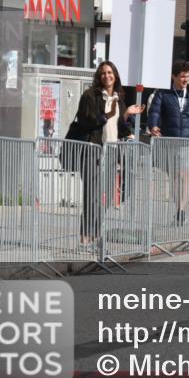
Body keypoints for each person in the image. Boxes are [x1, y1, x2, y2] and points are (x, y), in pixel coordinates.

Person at [69, 62, 142, 245]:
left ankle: (96, 232)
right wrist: (106, 115)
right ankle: (86, 237)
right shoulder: (90, 95)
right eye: (102, 73)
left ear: (115, 75)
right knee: (91, 196)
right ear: (98, 77)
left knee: (108, 197)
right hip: (92, 151)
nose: (106, 76)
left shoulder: (119, 98)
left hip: (111, 152)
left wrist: (127, 119)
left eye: (109, 73)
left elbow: (119, 127)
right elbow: (86, 120)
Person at [147, 60, 189, 224]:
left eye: (187, 76)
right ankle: (178, 206)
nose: (185, 80)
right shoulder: (163, 93)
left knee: (184, 175)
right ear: (173, 76)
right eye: (182, 77)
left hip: (187, 139)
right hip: (170, 139)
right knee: (174, 177)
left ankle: (181, 210)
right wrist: (154, 126)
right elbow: (155, 112)